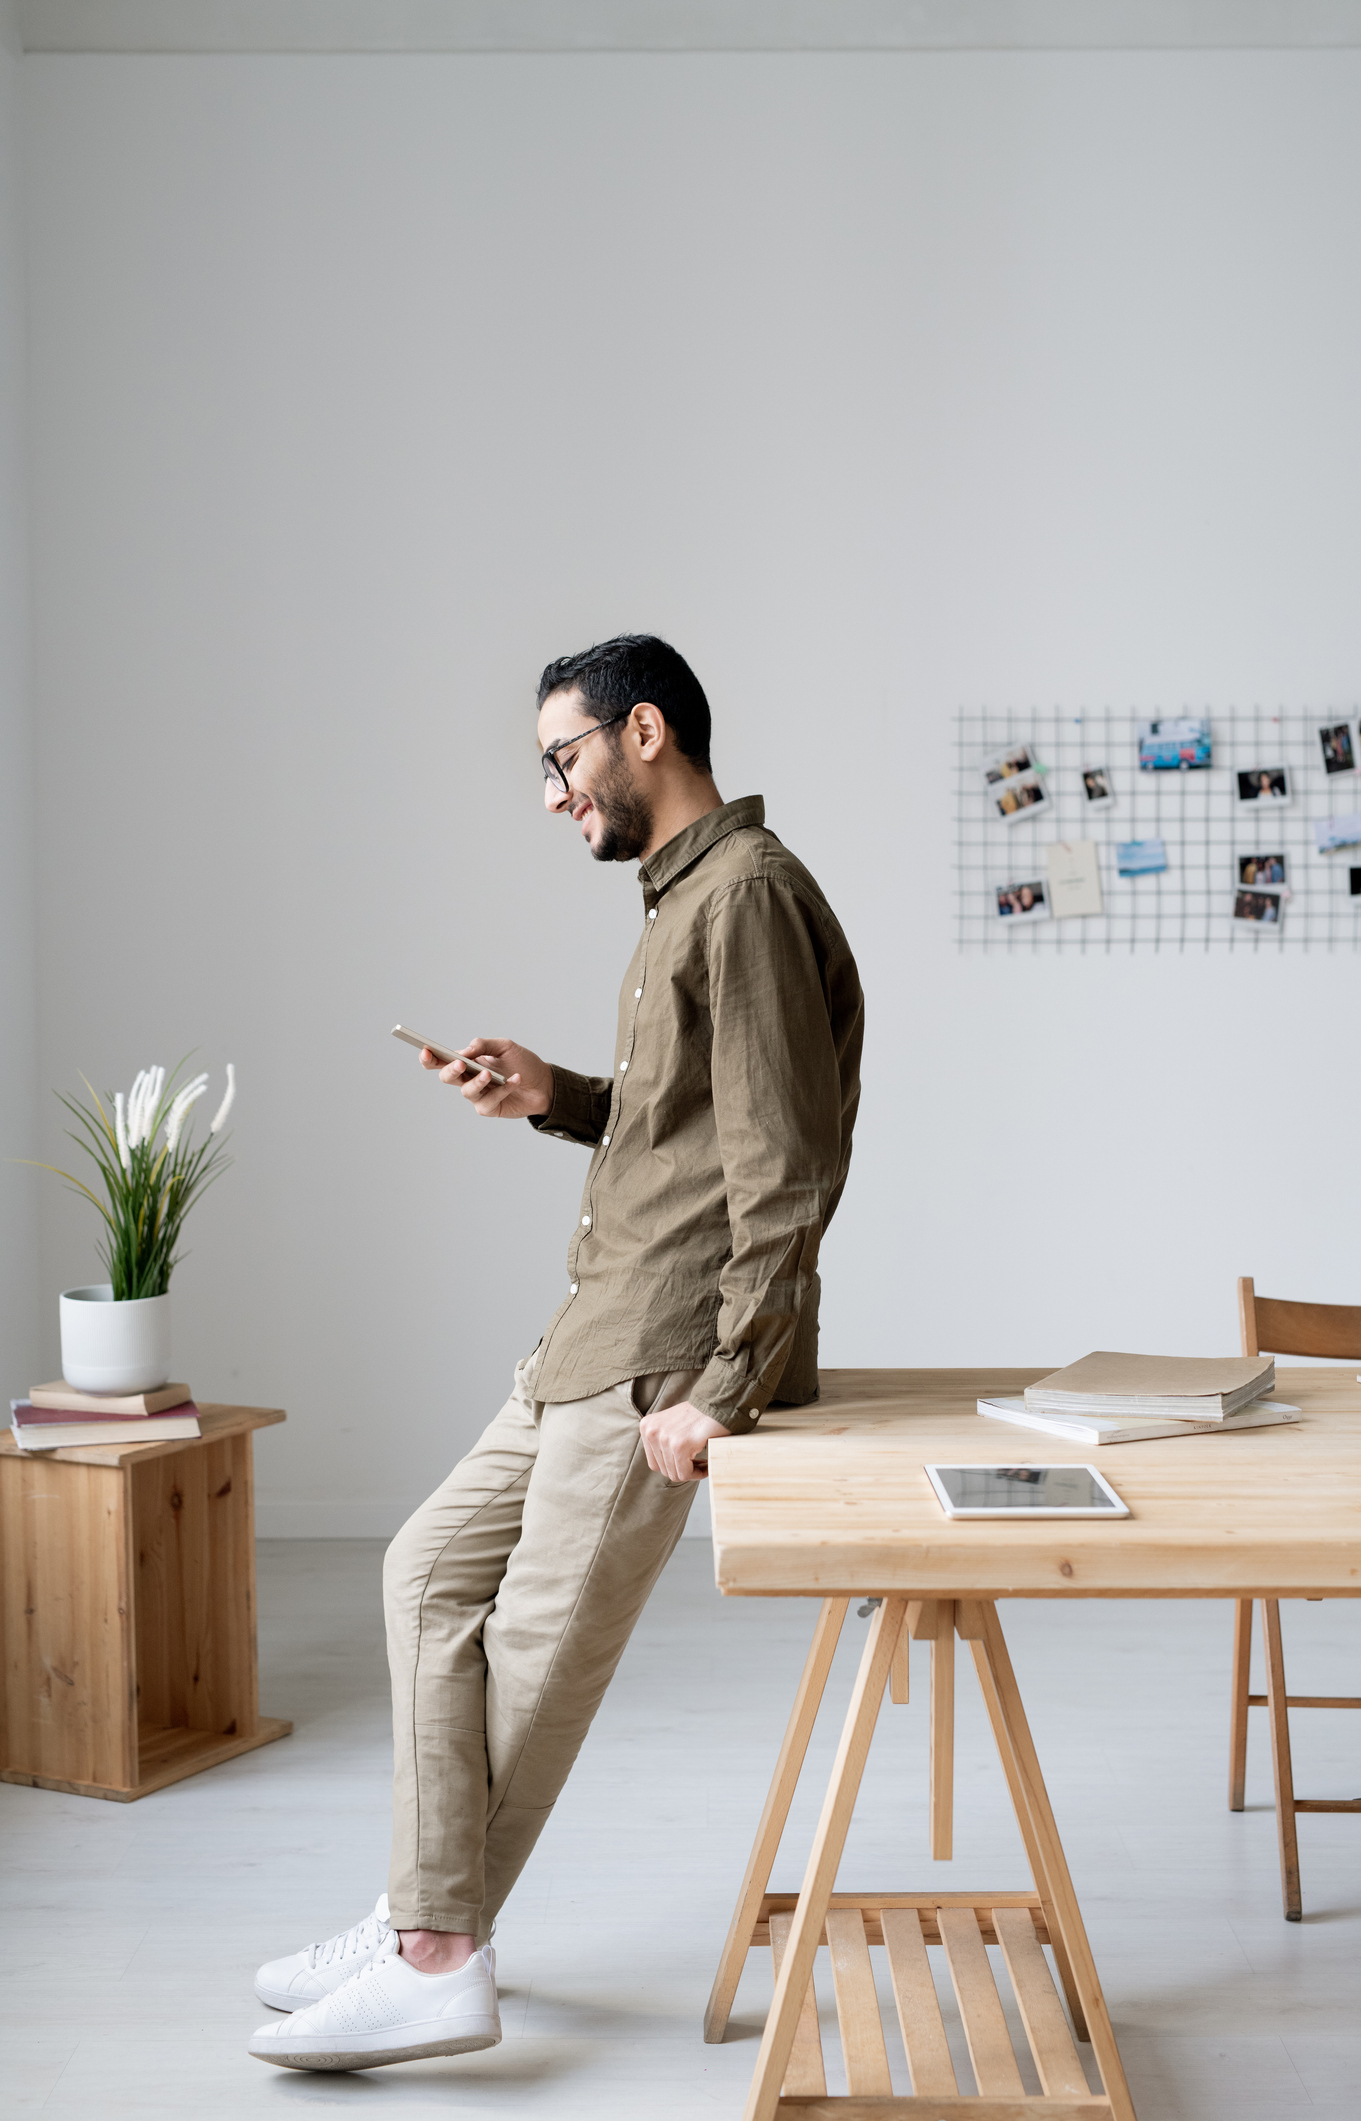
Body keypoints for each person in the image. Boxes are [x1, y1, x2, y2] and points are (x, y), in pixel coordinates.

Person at [248, 634, 864, 2073]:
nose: (550, 792)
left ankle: (432, 1955)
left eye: (562, 756)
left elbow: (784, 1172)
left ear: (642, 730)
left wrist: (727, 1385)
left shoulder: (749, 898)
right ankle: (421, 1912)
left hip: (661, 1355)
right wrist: (557, 1095)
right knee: (422, 1572)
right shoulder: (687, 900)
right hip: (586, 1336)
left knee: (532, 1653)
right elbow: (687, 1128)